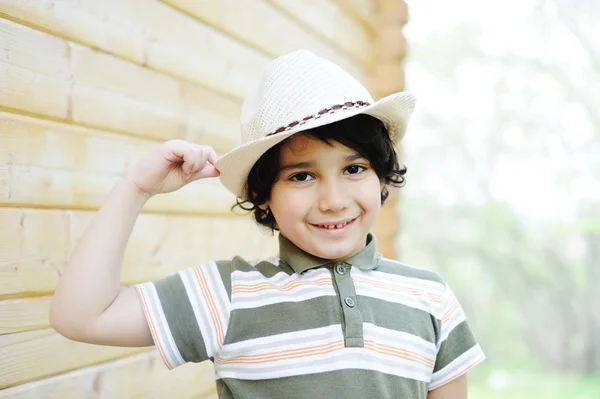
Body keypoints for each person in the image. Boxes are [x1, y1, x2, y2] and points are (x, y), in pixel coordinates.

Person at [50, 50, 485, 398]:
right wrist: (135, 187)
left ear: (381, 174)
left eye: (354, 169)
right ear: (262, 195)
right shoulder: (229, 294)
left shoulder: (430, 297)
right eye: (302, 176)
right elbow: (82, 317)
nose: (334, 201)